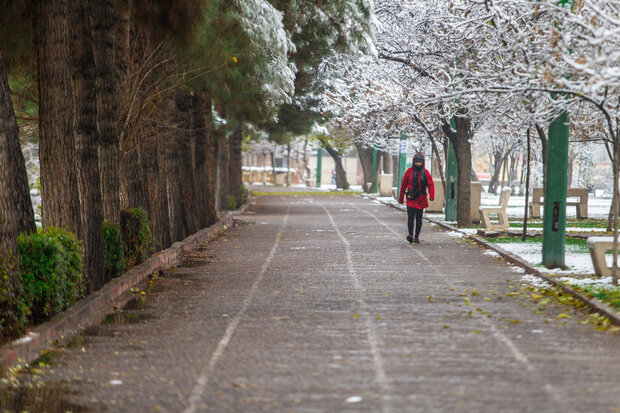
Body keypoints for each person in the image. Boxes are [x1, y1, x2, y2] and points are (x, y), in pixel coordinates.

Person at [398, 152, 434, 244]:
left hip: (421, 199)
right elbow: (403, 185)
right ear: (414, 162)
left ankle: (417, 236)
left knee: (419, 219)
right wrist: (401, 198)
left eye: (419, 162)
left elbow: (430, 184)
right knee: (410, 218)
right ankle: (410, 235)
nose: (418, 164)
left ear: (422, 162)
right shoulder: (408, 172)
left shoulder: (426, 173)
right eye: (416, 162)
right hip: (411, 199)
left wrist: (431, 194)